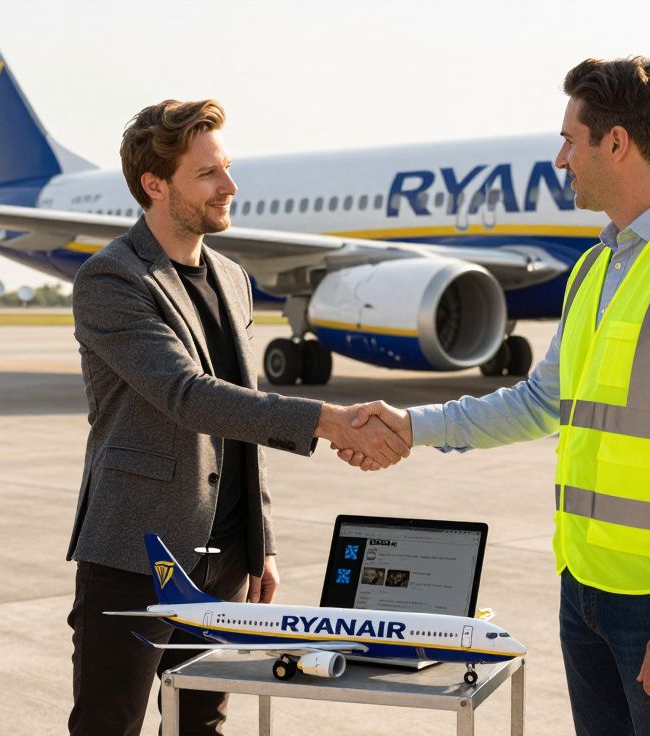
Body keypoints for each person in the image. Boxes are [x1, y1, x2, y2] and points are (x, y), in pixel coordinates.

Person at [338, 58, 650, 735]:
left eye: (571, 140)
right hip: (586, 590)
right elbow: (540, 403)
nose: (561, 159)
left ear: (616, 143)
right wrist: (412, 425)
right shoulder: (597, 266)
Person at [66, 98, 409, 736]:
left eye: (227, 168)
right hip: (137, 550)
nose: (230, 186)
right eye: (208, 173)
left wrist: (261, 541)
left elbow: (241, 419)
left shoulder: (231, 277)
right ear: (154, 184)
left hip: (222, 554)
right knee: (108, 722)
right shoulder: (112, 279)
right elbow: (188, 395)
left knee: (202, 724)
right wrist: (327, 420)